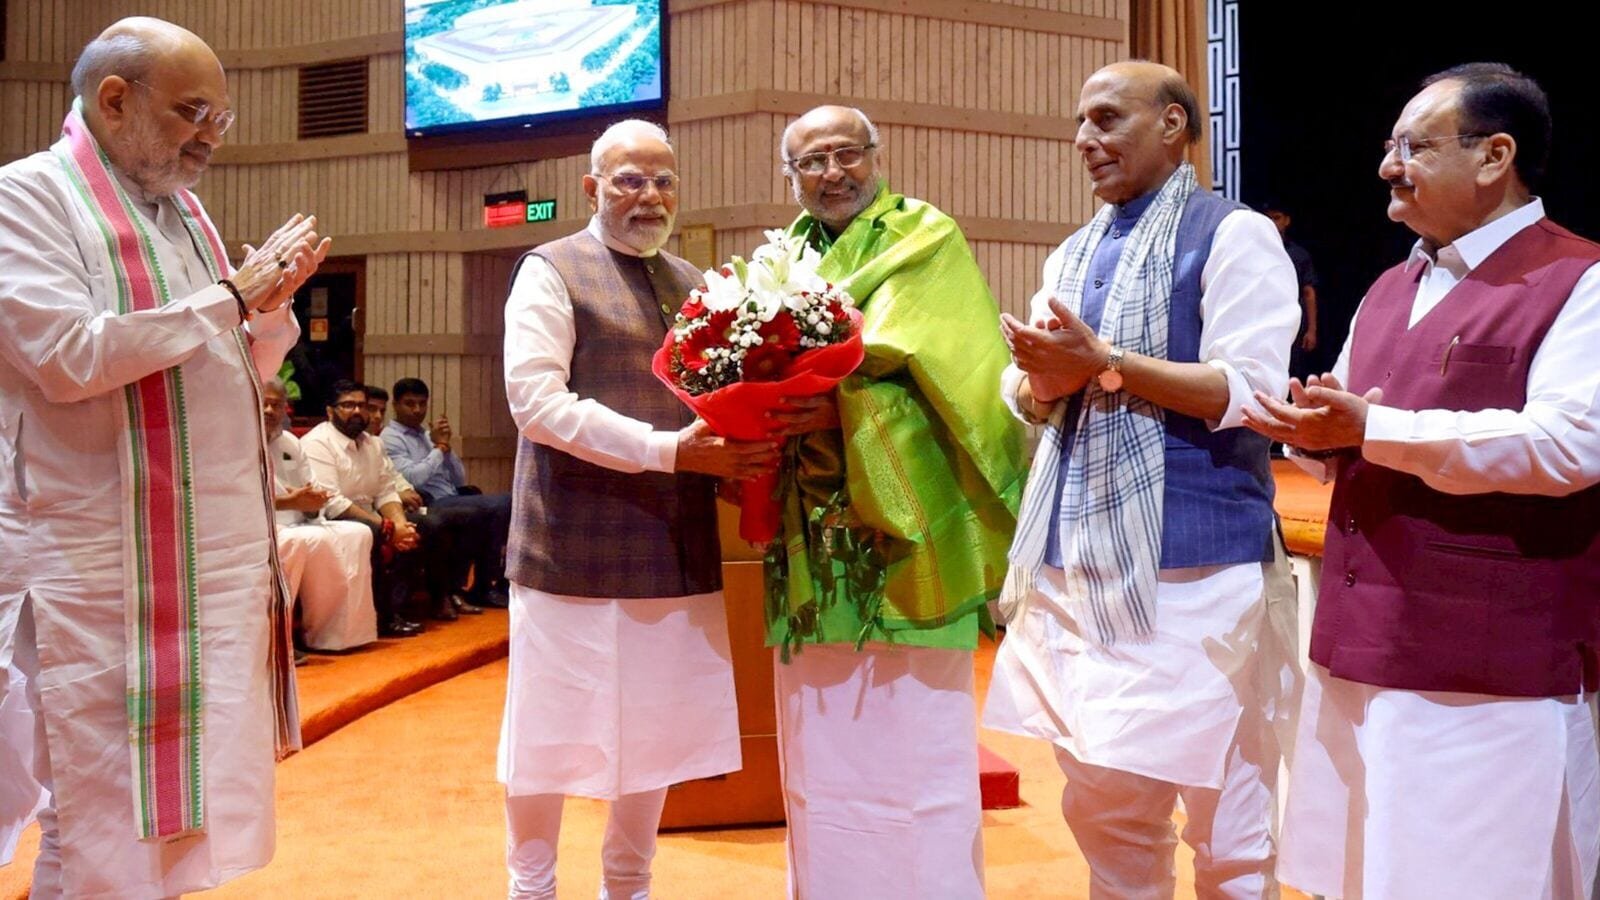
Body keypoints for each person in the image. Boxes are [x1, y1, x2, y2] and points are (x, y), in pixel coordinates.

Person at [1243, 63, 1600, 900]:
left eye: (1413, 146)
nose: (1387, 167)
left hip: (1487, 667)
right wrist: (1310, 435)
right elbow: (1356, 423)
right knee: (1373, 876)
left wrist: (1372, 429)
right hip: (1364, 647)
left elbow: (1570, 444)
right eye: (1387, 146)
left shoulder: (1580, 280)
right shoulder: (1387, 287)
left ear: (1494, 156)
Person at [0, 16, 329, 896]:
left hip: (206, 564)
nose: (209, 141)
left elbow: (224, 371)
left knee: (184, 810)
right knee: (100, 807)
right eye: (194, 115)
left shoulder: (181, 212)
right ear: (115, 100)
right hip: (100, 563)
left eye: (220, 122)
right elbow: (70, 358)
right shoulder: (25, 197)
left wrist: (264, 314)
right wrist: (227, 300)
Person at [981, 61, 1300, 898]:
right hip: (1077, 570)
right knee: (1106, 816)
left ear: (1172, 125)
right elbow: (1028, 390)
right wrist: (1040, 384)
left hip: (1198, 573)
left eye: (1108, 119)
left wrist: (1107, 365)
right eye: (1081, 123)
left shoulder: (1233, 235)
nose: (1086, 140)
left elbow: (1256, 394)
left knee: (1227, 825)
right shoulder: (1074, 249)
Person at [499, 118, 777, 900]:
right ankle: (532, 888)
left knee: (653, 738)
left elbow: (718, 410)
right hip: (569, 549)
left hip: (672, 546)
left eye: (663, 180)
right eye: (628, 179)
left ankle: (629, 887)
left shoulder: (698, 286)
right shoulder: (549, 269)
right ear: (591, 188)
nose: (648, 196)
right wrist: (672, 452)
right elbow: (535, 404)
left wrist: (736, 463)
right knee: (545, 739)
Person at [765, 105, 1026, 899]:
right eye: (812, 161)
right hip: (811, 529)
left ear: (877, 156)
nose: (833, 172)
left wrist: (838, 406)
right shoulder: (782, 260)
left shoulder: (924, 235)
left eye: (847, 154)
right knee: (822, 749)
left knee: (919, 750)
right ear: (792, 176)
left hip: (911, 528)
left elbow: (955, 375)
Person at [300, 380, 426, 637]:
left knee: (427, 526)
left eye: (361, 405)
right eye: (348, 405)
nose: (357, 411)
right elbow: (332, 501)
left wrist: (399, 524)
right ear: (330, 411)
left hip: (369, 515)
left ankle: (397, 610)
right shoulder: (318, 442)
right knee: (373, 533)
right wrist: (388, 528)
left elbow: (386, 491)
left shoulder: (373, 444)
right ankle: (385, 616)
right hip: (331, 519)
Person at [263, 378, 377, 651]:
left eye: (275, 405)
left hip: (301, 521)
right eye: (263, 403)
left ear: (284, 409)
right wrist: (289, 502)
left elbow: (312, 491)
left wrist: (312, 504)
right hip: (263, 525)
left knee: (358, 532)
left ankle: (336, 636)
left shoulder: (290, 442)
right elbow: (238, 498)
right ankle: (278, 638)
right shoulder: (237, 442)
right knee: (302, 541)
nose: (268, 410)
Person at [382, 376, 512, 609]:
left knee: (506, 506)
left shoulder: (425, 434)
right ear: (395, 405)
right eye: (409, 404)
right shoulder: (390, 438)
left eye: (422, 404)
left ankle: (493, 584)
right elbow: (413, 478)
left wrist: (447, 448)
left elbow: (459, 478)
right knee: (500, 505)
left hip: (453, 496)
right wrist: (439, 448)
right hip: (429, 502)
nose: (417, 410)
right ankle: (482, 587)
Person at [1262, 203, 1321, 380]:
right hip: (1264, 321)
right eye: (1268, 218)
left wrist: (1312, 329)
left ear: (1287, 220)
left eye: (1277, 217)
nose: (1272, 222)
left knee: (1293, 375)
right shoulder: (1256, 250)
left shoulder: (1298, 254)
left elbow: (1308, 292)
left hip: (1293, 325)